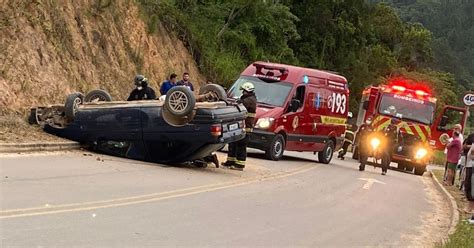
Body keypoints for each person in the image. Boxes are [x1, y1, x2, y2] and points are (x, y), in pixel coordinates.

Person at [222, 82, 257, 171]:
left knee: (241, 145)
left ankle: (240, 165)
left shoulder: (250, 100)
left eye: (244, 91)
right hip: (240, 126)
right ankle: (231, 161)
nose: (242, 93)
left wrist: (238, 103)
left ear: (247, 90)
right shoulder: (247, 98)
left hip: (245, 127)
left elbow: (241, 107)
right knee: (233, 143)